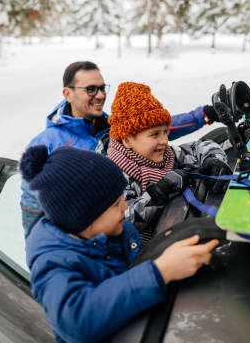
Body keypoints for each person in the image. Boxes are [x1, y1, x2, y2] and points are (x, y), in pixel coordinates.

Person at [21, 145, 219, 342]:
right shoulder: (51, 261)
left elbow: (140, 263)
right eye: (116, 203)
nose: (125, 207)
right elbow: (77, 322)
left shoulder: (116, 229)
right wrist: (160, 272)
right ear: (86, 216)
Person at [20, 61, 220, 237]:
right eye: (91, 89)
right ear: (67, 93)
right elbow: (34, 207)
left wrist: (202, 115)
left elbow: (155, 132)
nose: (100, 96)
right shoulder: (48, 144)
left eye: (102, 88)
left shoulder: (111, 125)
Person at [105, 82, 232, 241]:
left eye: (165, 132)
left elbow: (201, 146)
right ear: (128, 140)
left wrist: (214, 159)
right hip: (137, 256)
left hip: (172, 234)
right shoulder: (114, 175)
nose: (165, 140)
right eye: (155, 134)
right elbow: (121, 222)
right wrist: (158, 193)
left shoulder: (168, 155)